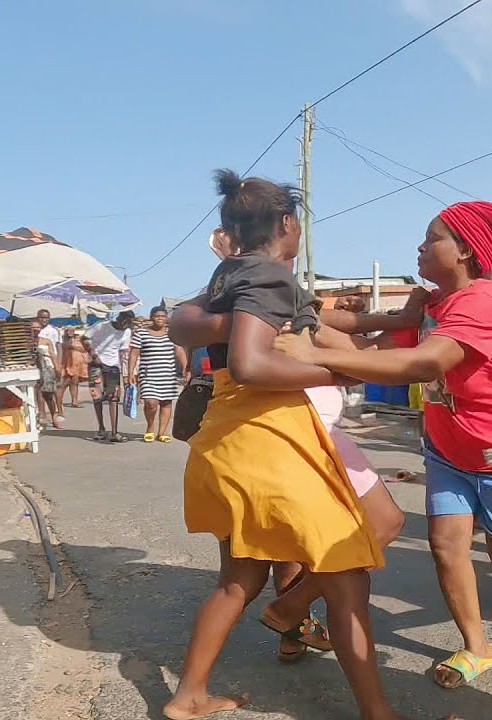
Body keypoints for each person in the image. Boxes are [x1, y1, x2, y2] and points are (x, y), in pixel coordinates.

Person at [273, 200, 492, 690]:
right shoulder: (430, 303)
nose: (421, 246)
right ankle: (478, 647)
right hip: (447, 449)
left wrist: (311, 351)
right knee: (446, 546)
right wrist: (299, 318)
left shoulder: (485, 302)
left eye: (433, 238)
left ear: (465, 250)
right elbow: (367, 351)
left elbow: (425, 364)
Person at [163, 170, 408, 720]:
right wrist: (333, 375)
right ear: (288, 224)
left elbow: (188, 325)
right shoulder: (270, 276)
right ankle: (377, 712)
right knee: (346, 574)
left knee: (238, 580)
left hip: (228, 438)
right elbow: (251, 363)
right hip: (269, 438)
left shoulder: (230, 275)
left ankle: (188, 695)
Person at [128, 307, 186, 443]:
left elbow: (179, 351)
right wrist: (131, 372)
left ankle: (162, 433)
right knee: (151, 403)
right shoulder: (141, 334)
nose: (159, 318)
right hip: (148, 375)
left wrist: (185, 367)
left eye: (162, 316)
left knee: (166, 403)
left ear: (166, 319)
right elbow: (134, 353)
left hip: (168, 375)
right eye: (156, 316)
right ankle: (150, 428)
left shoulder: (172, 334)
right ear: (151, 318)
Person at [83, 311, 134, 443]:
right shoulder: (101, 326)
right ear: (118, 318)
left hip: (113, 367)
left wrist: (123, 371)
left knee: (114, 399)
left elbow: (122, 351)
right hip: (96, 365)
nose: (125, 324)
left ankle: (114, 432)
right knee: (97, 397)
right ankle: (101, 429)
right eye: (124, 321)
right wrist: (93, 354)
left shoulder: (127, 332)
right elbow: (84, 338)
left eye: (128, 322)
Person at [33, 311, 64, 430]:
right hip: (35, 366)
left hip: (49, 364)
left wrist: (58, 366)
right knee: (38, 391)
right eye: (41, 317)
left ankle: (56, 414)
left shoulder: (52, 332)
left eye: (46, 318)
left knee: (49, 392)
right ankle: (42, 415)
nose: (43, 320)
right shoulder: (29, 339)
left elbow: (56, 348)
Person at [59, 327, 91, 408]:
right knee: (65, 383)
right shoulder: (64, 340)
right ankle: (59, 400)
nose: (70, 332)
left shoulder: (78, 339)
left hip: (77, 365)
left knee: (74, 382)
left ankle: (74, 400)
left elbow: (86, 347)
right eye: (68, 330)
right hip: (69, 364)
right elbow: (66, 346)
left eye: (72, 330)